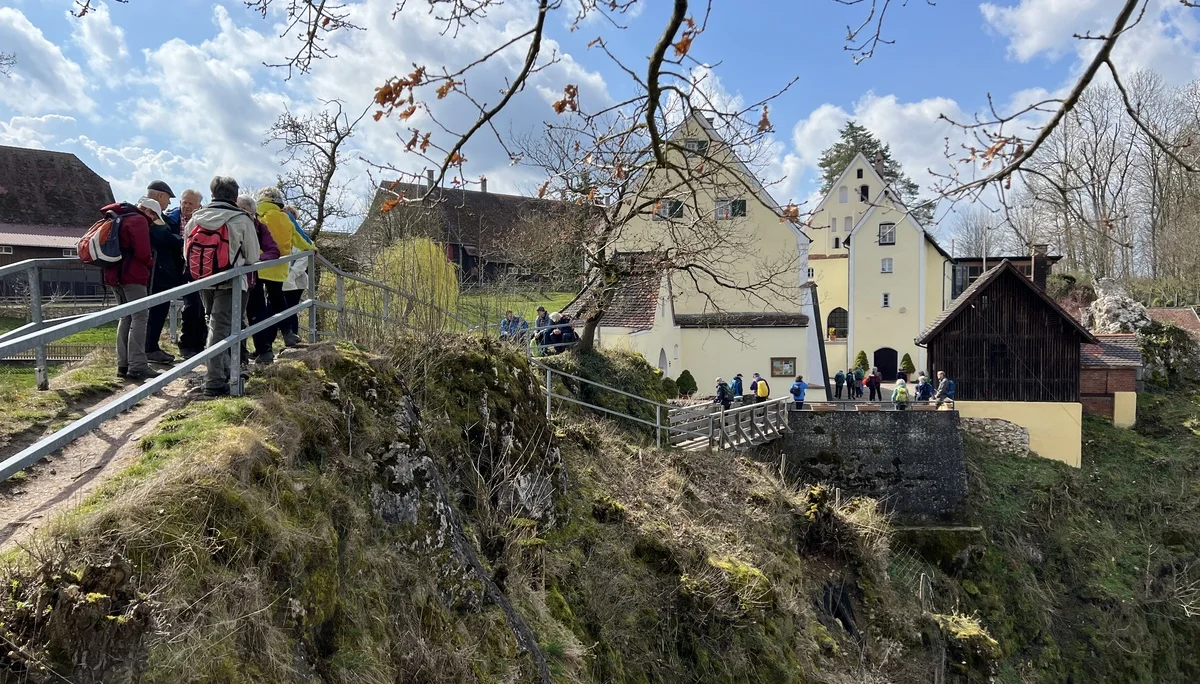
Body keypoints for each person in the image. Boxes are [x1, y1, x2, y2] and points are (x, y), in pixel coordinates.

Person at [189, 177, 260, 397]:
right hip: (231, 282)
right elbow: (253, 256)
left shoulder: (196, 217)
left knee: (215, 325)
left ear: (212, 194)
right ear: (235, 196)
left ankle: (226, 371)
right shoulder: (241, 219)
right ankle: (214, 381)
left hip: (204, 279)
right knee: (221, 329)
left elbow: (186, 251)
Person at [102, 199, 158, 380]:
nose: (153, 221)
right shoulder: (139, 220)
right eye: (154, 216)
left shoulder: (118, 216)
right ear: (148, 211)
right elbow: (143, 253)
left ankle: (123, 365)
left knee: (125, 316)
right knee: (140, 317)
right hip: (132, 276)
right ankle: (138, 365)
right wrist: (150, 262)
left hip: (113, 274)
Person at [251, 187, 300, 362]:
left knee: (257, 307)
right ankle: (287, 332)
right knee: (278, 300)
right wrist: (312, 247)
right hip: (279, 266)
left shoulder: (257, 217)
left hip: (258, 264)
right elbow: (300, 237)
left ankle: (263, 349)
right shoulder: (286, 218)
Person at [236, 195, 281, 366]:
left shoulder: (259, 227)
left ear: (253, 212)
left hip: (251, 278)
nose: (242, 213)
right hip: (233, 278)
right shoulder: (229, 222)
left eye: (244, 210)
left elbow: (274, 250)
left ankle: (264, 351)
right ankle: (240, 356)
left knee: (257, 314)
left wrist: (255, 259)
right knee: (236, 317)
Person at [141, 193, 183, 364]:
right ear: (159, 196)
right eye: (167, 198)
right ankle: (149, 349)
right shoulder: (151, 221)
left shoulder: (137, 220)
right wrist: (182, 239)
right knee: (155, 312)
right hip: (156, 274)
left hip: (151, 273)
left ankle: (145, 349)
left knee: (146, 313)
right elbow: (166, 238)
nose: (169, 202)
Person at [172, 189, 207, 358]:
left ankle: (198, 344)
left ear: (199, 205)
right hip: (180, 268)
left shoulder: (205, 220)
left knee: (199, 306)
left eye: (190, 203)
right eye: (184, 202)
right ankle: (186, 344)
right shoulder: (171, 218)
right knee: (192, 305)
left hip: (200, 268)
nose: (186, 206)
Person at [279, 205, 314, 342]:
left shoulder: (300, 237)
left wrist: (290, 276)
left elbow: (302, 260)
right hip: (278, 279)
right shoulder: (278, 234)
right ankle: (271, 341)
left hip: (296, 281)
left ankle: (292, 339)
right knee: (276, 310)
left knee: (291, 309)